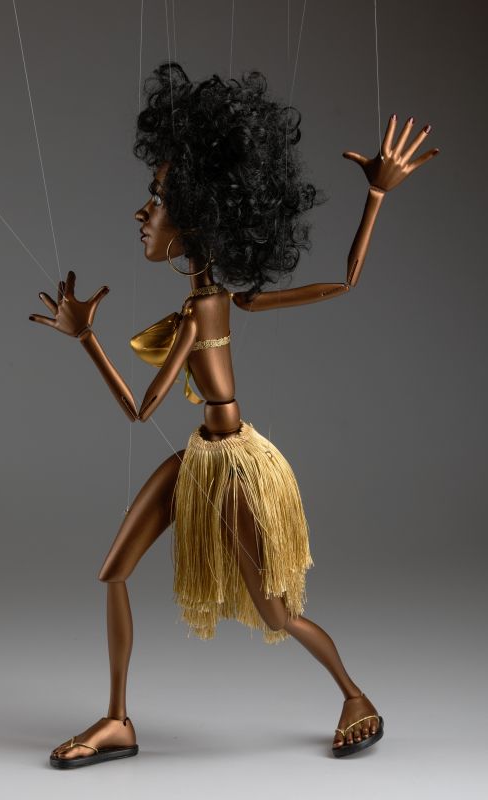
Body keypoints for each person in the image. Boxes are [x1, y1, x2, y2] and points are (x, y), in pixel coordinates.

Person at [29, 62, 438, 767]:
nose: (143, 214)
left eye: (157, 200)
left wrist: (87, 338)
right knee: (114, 571)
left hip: (235, 469)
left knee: (275, 610)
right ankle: (117, 720)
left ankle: (354, 695)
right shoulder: (207, 303)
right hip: (200, 456)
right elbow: (341, 284)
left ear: (196, 216)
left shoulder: (205, 309)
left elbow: (140, 409)